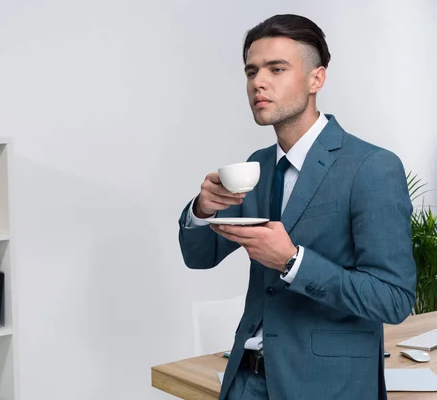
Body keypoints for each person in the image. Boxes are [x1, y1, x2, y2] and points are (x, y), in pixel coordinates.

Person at [177, 14, 416, 400]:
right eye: (251, 71)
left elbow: (393, 299)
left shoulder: (370, 167)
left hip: (326, 387)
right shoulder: (257, 166)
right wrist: (202, 210)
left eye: (276, 69)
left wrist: (293, 261)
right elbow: (199, 257)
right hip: (244, 381)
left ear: (315, 79)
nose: (259, 82)